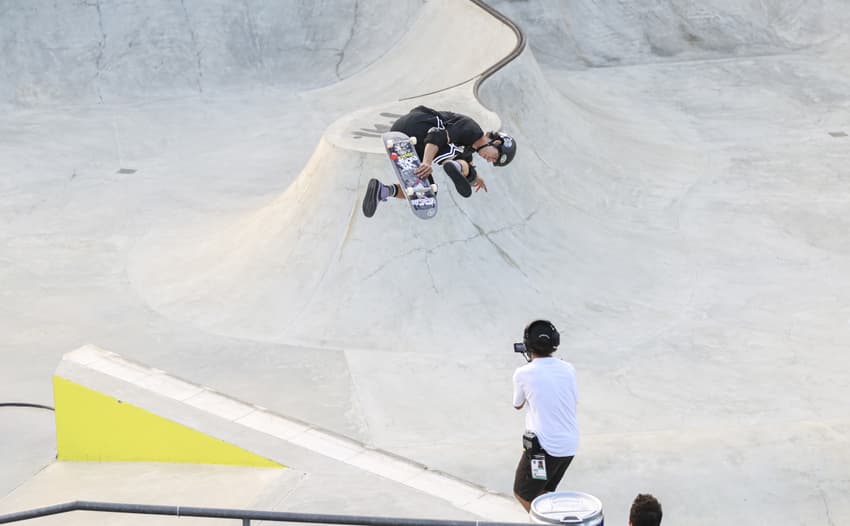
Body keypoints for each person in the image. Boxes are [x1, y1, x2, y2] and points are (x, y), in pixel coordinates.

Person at [362, 105, 517, 218]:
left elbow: (467, 168)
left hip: (408, 136)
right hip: (418, 125)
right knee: (457, 158)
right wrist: (427, 162)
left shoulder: (468, 148)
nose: (490, 160)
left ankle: (382, 190)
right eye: (494, 157)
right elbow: (437, 135)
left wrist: (476, 179)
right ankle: (452, 165)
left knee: (426, 194)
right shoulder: (471, 128)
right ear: (496, 143)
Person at [511, 320, 579, 512]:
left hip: (545, 448)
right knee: (544, 493)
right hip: (569, 446)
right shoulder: (569, 369)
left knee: (522, 492)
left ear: (527, 345)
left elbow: (517, 405)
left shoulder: (522, 373)